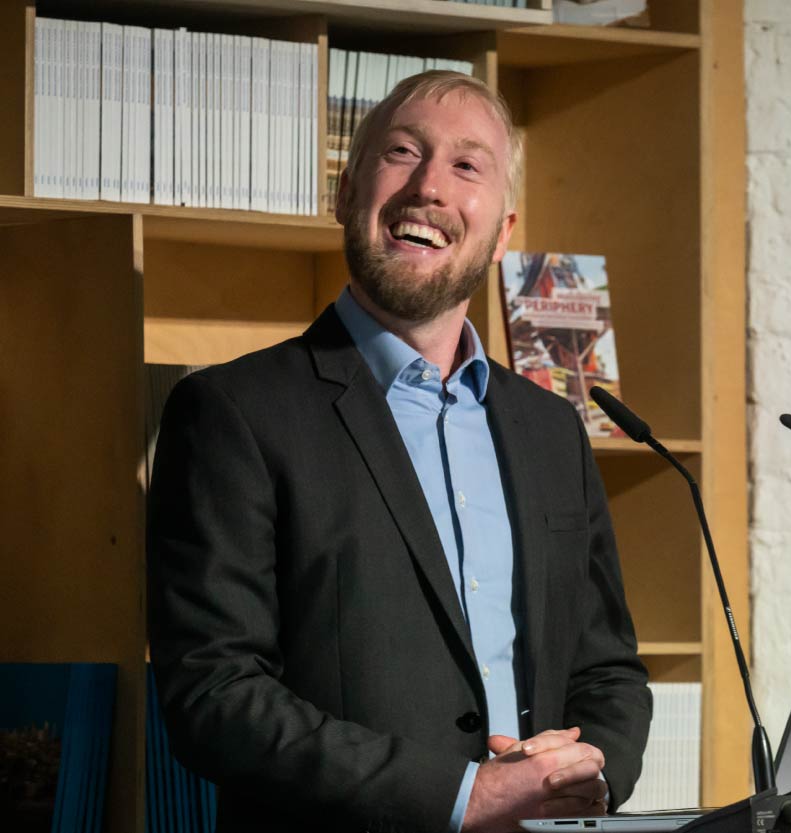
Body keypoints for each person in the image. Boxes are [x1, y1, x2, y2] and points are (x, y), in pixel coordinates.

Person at [147, 70, 652, 833]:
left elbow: (608, 670)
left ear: (503, 229)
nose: (429, 187)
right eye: (402, 152)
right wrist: (460, 797)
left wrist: (589, 772)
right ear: (346, 192)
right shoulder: (230, 413)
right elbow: (214, 693)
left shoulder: (552, 428)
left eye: (466, 165)